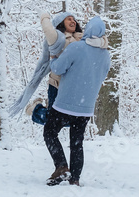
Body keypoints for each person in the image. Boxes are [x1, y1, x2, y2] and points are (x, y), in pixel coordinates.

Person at [43, 16, 111, 186]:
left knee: (50, 133)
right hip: (85, 108)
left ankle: (61, 166)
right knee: (77, 143)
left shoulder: (77, 47)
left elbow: (58, 68)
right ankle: (75, 179)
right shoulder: (106, 56)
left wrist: (53, 56)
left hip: (65, 103)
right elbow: (101, 76)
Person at [8, 12, 83, 119]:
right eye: (69, 19)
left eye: (73, 19)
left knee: (74, 119)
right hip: (58, 86)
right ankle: (35, 110)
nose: (73, 21)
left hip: (77, 86)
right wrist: (44, 16)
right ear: (61, 23)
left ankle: (44, 109)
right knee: (54, 120)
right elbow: (48, 28)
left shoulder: (82, 37)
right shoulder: (59, 38)